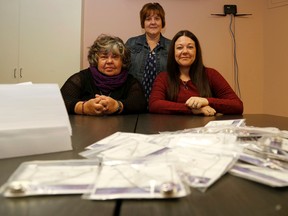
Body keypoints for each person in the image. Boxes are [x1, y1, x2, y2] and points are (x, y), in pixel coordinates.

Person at [149, 30, 243, 116]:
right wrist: (192, 110)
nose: (185, 51)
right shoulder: (163, 77)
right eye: (179, 48)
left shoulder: (211, 74)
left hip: (205, 132)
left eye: (190, 47)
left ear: (196, 51)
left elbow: (237, 105)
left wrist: (205, 101)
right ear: (173, 53)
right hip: (173, 131)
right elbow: (154, 104)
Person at [61, 34, 147, 116]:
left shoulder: (130, 81)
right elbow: (61, 101)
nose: (109, 61)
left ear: (123, 61)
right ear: (96, 60)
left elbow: (139, 103)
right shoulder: (81, 78)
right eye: (104, 57)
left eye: (115, 57)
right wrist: (84, 107)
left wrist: (117, 106)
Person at [125, 2, 171, 102]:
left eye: (157, 18)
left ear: (162, 22)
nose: (153, 22)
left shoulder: (172, 47)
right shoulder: (131, 43)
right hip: (133, 102)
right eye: (148, 19)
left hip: (162, 102)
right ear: (143, 23)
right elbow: (121, 72)